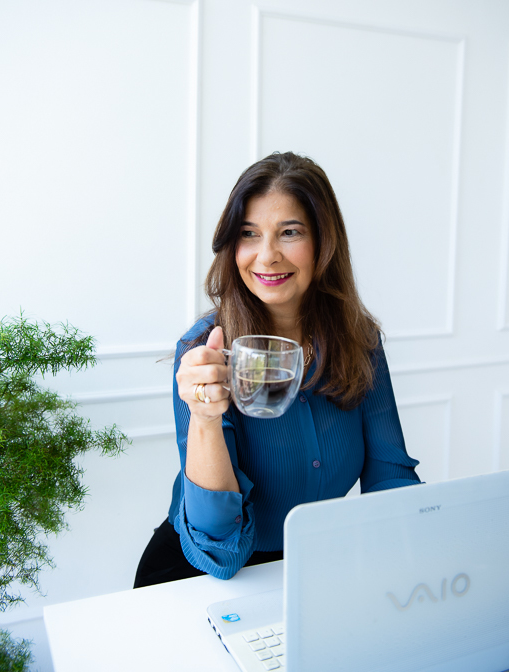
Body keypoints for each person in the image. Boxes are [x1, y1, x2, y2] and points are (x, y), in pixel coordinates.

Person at [134, 151, 420, 587]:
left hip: (307, 570)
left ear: (323, 243)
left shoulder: (359, 340)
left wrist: (418, 564)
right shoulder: (204, 351)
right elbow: (221, 551)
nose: (266, 256)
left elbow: (390, 476)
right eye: (248, 234)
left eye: (289, 232)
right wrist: (205, 418)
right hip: (196, 578)